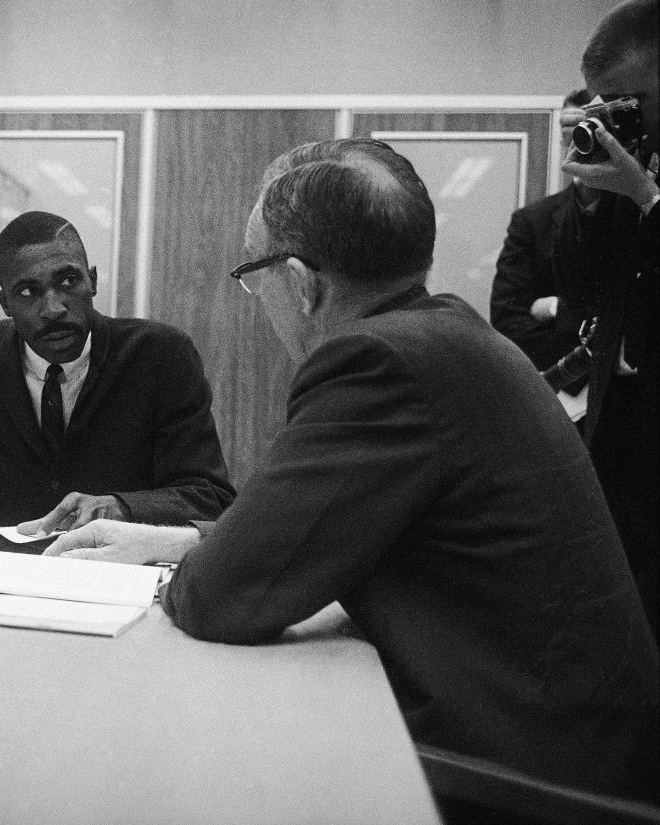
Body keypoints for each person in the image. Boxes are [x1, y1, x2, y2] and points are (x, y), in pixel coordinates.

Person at [44, 138, 659, 801]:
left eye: (254, 275)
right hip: (574, 746)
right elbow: (317, 526)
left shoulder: (376, 362)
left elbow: (217, 598)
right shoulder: (450, 337)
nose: (257, 298)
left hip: (526, 787)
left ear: (304, 284)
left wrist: (202, 563)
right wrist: (176, 540)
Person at [0, 210, 234, 553]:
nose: (53, 308)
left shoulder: (161, 355)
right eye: (28, 292)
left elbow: (208, 495)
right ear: (4, 303)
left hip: (118, 576)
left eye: (68, 282)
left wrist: (119, 506)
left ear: (93, 281)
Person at [557, 0, 659, 638]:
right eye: (603, 106)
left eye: (626, 102)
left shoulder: (644, 179)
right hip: (621, 425)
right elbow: (576, 284)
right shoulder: (634, 162)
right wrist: (592, 198)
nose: (614, 119)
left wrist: (648, 199)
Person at [490, 90, 596, 394]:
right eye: (571, 130)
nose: (580, 140)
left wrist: (555, 310)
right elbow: (507, 320)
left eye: (591, 128)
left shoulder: (640, 215)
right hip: (555, 390)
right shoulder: (532, 221)